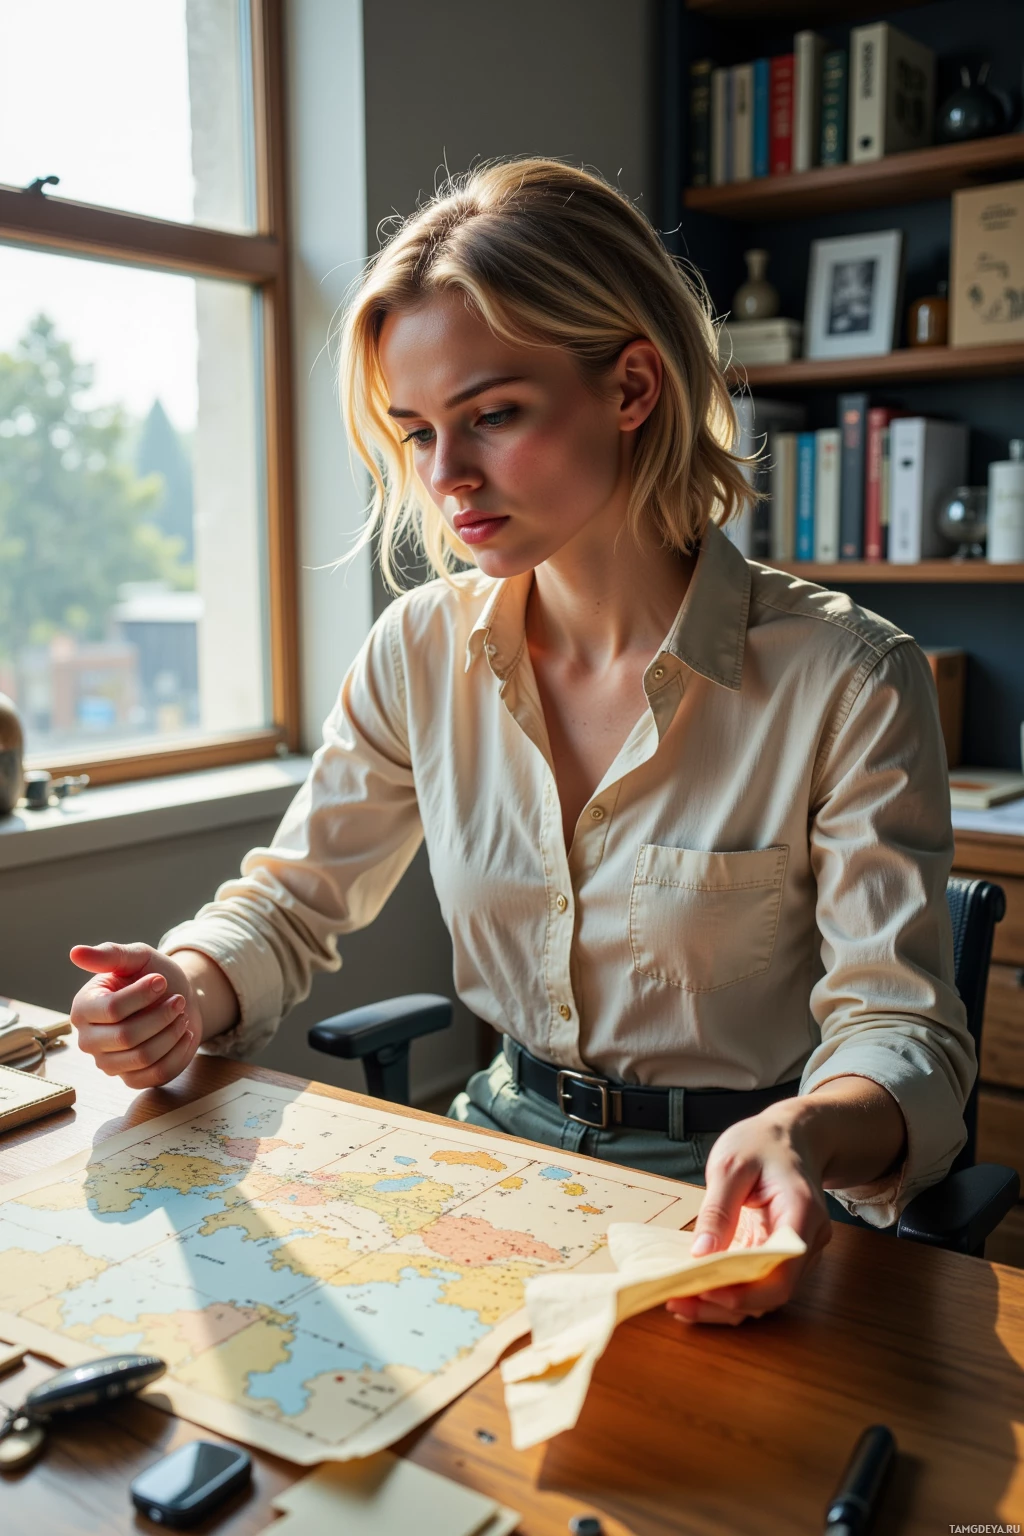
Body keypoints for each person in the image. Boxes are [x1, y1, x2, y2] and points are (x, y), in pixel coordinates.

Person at [68, 158, 975, 1327]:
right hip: (495, 1162)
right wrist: (181, 990)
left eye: (493, 415)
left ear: (632, 386)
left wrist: (800, 1128)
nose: (445, 477)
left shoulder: (848, 677)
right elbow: (288, 907)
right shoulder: (418, 650)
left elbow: (901, 1030)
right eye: (417, 431)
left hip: (736, 1197)